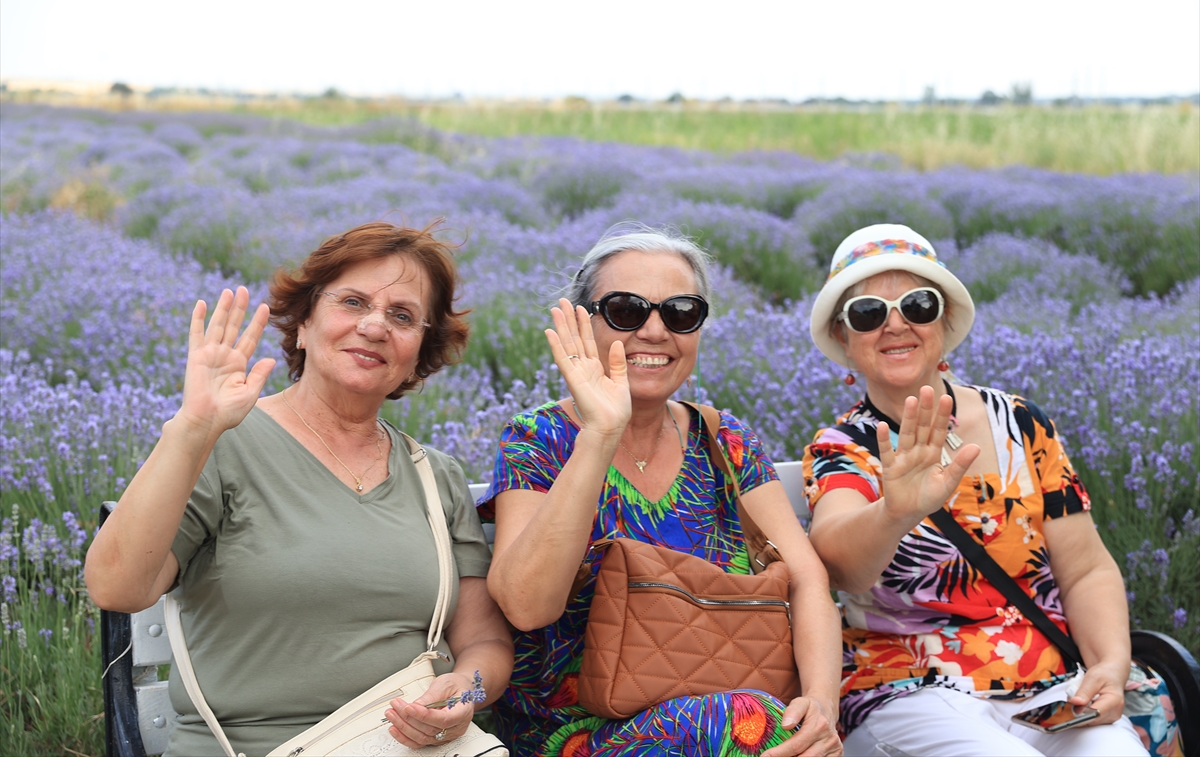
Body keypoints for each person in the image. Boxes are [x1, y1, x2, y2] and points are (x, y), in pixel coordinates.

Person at [85, 220, 513, 757]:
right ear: (305, 323)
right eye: (353, 302)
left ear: (419, 351)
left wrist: (465, 692)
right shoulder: (222, 444)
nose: (375, 326)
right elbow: (117, 588)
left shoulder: (435, 476)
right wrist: (191, 430)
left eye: (403, 316)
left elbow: (484, 643)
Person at [478, 225, 844, 757]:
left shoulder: (725, 440)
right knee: (749, 722)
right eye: (626, 310)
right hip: (579, 735)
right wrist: (600, 434)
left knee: (776, 728)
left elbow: (808, 579)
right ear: (585, 322)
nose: (654, 331)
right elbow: (525, 607)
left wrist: (822, 703)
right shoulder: (540, 439)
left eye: (680, 313)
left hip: (731, 717)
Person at [802, 223, 1149, 757]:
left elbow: (1085, 568)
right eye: (868, 313)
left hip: (1048, 686)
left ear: (943, 322)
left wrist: (1109, 664)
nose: (895, 325)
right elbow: (841, 566)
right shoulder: (842, 448)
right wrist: (894, 513)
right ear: (844, 339)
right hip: (908, 689)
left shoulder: (1022, 424)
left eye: (917, 305)